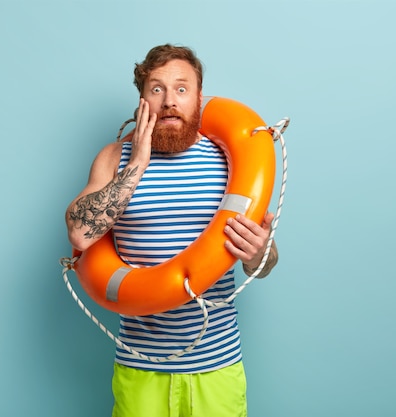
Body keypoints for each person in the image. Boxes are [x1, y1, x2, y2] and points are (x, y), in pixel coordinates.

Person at [65, 44, 279, 417]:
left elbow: (265, 263)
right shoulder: (114, 158)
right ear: (142, 100)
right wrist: (139, 161)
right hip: (140, 368)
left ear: (199, 96)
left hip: (218, 364)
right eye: (156, 88)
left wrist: (261, 253)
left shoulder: (226, 159)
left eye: (181, 89)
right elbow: (81, 236)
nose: (169, 101)